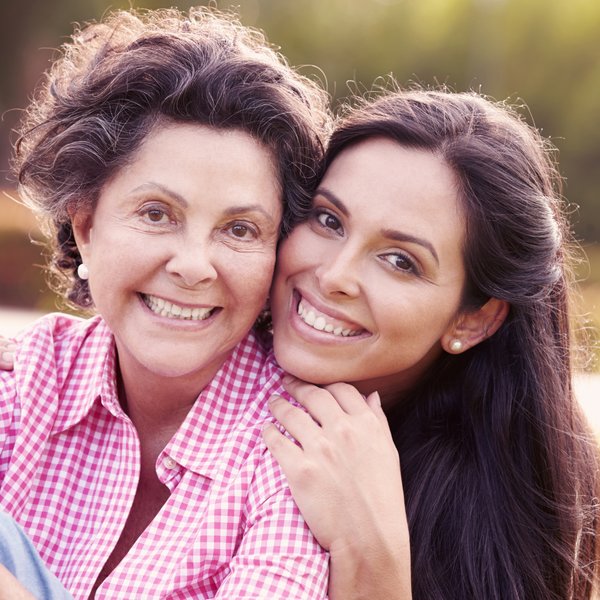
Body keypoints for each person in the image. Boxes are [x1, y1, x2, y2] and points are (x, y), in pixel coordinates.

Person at [0, 6, 331, 599]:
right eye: (157, 214)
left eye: (240, 230)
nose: (194, 265)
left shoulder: (297, 445)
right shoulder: (29, 381)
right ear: (86, 228)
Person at [262, 89, 600, 599]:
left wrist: (375, 557)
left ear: (474, 320)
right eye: (328, 220)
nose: (334, 275)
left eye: (400, 260)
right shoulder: (195, 365)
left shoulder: (494, 528)